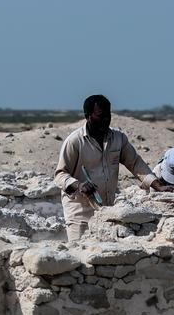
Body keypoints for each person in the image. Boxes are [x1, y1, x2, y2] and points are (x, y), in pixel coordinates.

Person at [54, 94, 160, 242]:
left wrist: (157, 185)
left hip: (107, 210)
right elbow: (60, 175)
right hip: (80, 213)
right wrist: (79, 185)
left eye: (108, 115)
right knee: (80, 254)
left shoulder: (118, 138)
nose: (105, 120)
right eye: (100, 116)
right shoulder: (75, 141)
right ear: (88, 116)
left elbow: (135, 163)